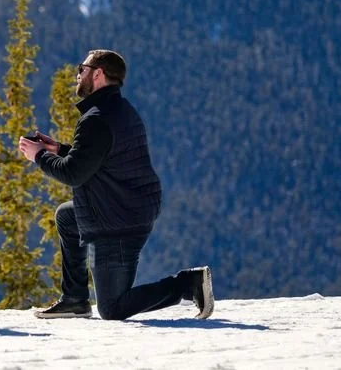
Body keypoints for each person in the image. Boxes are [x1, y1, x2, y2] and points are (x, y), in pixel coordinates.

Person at [18, 49, 214, 321]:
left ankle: (187, 284)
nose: (77, 75)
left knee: (113, 308)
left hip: (118, 221)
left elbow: (74, 174)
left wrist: (39, 155)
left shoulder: (96, 119)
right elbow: (96, 157)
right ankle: (74, 299)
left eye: (81, 69)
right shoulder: (117, 109)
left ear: (98, 74)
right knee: (67, 216)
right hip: (127, 207)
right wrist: (59, 149)